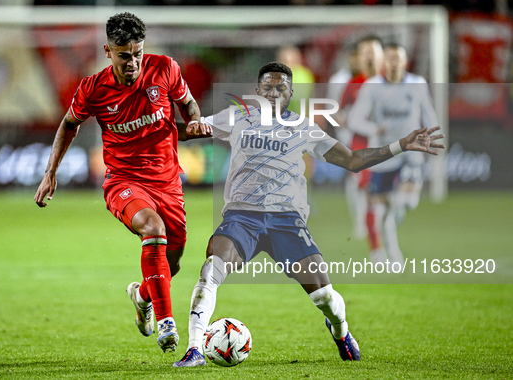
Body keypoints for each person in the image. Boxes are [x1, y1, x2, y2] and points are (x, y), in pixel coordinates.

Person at [173, 62, 444, 367]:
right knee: (211, 269)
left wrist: (401, 145)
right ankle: (195, 349)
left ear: (290, 93)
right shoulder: (236, 117)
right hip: (241, 217)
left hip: (286, 221)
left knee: (325, 298)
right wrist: (161, 123)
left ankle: (341, 331)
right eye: (268, 86)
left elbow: (352, 160)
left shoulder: (303, 128)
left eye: (281, 87)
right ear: (258, 90)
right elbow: (185, 132)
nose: (274, 92)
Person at [34, 12, 211, 353]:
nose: (133, 62)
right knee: (153, 229)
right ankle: (167, 323)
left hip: (168, 182)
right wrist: (50, 171)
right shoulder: (94, 88)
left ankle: (141, 295)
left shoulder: (165, 69)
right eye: (124, 55)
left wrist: (195, 122)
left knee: (171, 264)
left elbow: (187, 103)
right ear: (108, 51)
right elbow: (69, 124)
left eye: (138, 53)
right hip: (123, 181)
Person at [347, 42, 439, 264]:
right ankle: (393, 255)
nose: (394, 62)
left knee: (408, 201)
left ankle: (398, 200)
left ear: (405, 61)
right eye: (390, 58)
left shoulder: (417, 84)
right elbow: (354, 119)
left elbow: (429, 114)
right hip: (383, 154)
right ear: (384, 62)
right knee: (382, 212)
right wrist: (373, 129)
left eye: (398, 58)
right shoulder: (372, 86)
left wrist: (434, 139)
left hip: (410, 152)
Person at [341, 35, 384, 242]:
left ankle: (376, 223)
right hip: (360, 142)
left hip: (385, 141)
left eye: (372, 51)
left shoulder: (389, 80)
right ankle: (363, 224)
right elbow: (340, 111)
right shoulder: (354, 82)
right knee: (363, 184)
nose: (368, 56)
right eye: (365, 51)